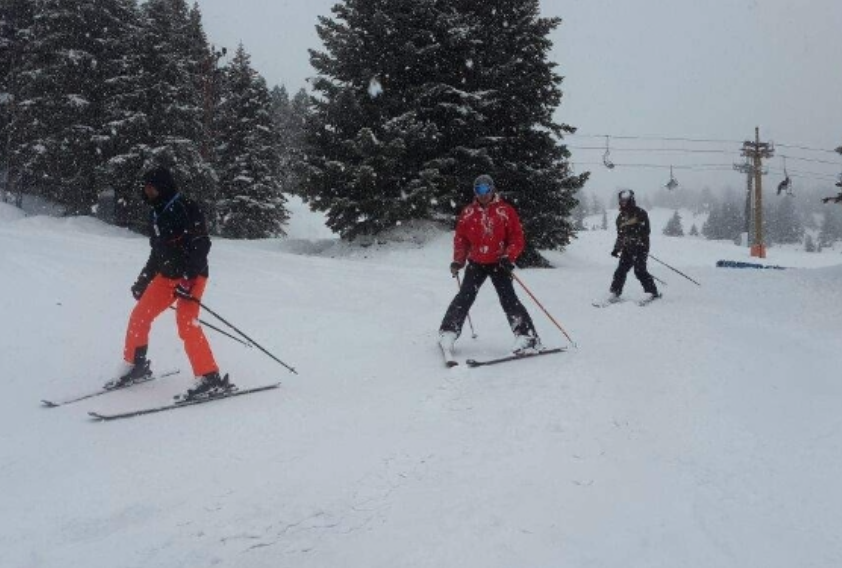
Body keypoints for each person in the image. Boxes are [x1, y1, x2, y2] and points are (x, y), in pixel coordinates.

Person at [105, 166, 234, 400]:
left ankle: (209, 377)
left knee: (186, 323)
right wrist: (144, 280)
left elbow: (201, 246)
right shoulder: (156, 212)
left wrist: (188, 279)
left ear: (162, 186)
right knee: (139, 316)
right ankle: (136, 365)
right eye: (145, 188)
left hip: (191, 276)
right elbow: (158, 252)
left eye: (151, 187)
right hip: (166, 276)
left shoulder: (186, 207)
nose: (147, 192)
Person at [438, 174, 542, 355]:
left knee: (508, 299)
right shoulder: (468, 212)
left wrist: (509, 256)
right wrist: (458, 260)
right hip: (476, 262)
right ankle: (448, 332)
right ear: (475, 192)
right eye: (479, 190)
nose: (483, 194)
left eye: (486, 189)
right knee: (464, 297)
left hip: (498, 263)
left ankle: (527, 336)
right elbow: (461, 239)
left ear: (492, 189)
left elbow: (517, 237)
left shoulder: (505, 210)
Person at [608, 189, 659, 302]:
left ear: (630, 200)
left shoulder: (640, 213)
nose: (623, 202)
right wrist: (617, 249)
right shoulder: (620, 218)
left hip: (641, 247)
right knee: (620, 271)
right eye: (621, 200)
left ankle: (652, 292)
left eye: (625, 200)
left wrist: (635, 236)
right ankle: (615, 292)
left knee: (639, 270)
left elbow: (646, 231)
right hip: (627, 248)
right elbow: (620, 235)